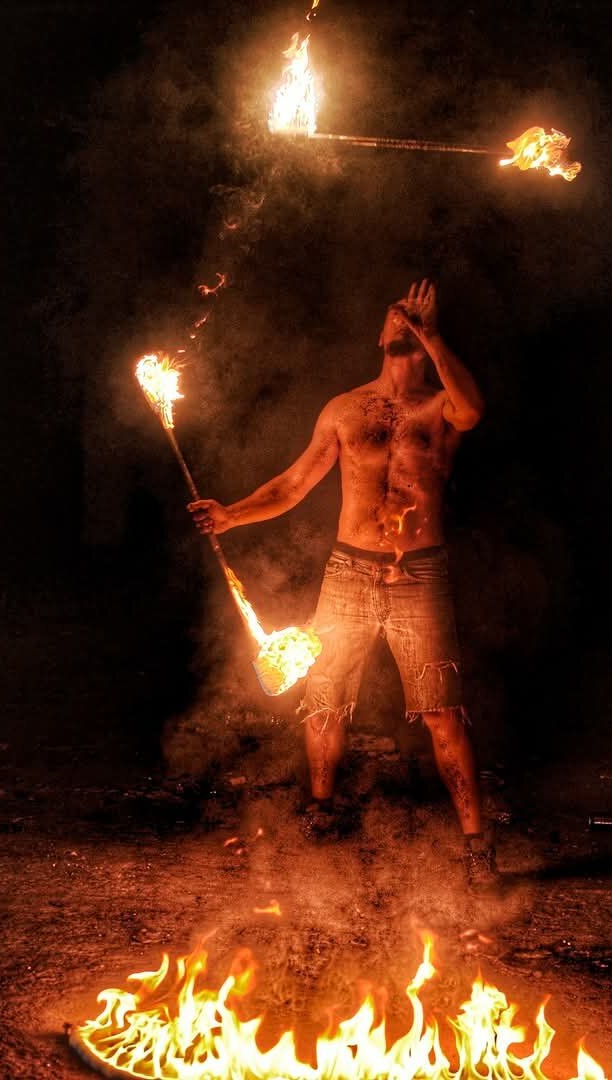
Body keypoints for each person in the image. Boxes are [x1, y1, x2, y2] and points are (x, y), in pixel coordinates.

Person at [188, 279, 496, 889]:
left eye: (414, 319)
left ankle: (476, 844)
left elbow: (474, 412)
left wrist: (432, 335)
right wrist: (232, 514)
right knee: (324, 697)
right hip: (349, 569)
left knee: (442, 712)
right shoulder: (344, 409)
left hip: (418, 572)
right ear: (379, 336)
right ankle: (321, 813)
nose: (402, 321)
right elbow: (294, 483)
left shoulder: (440, 407)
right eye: (395, 317)